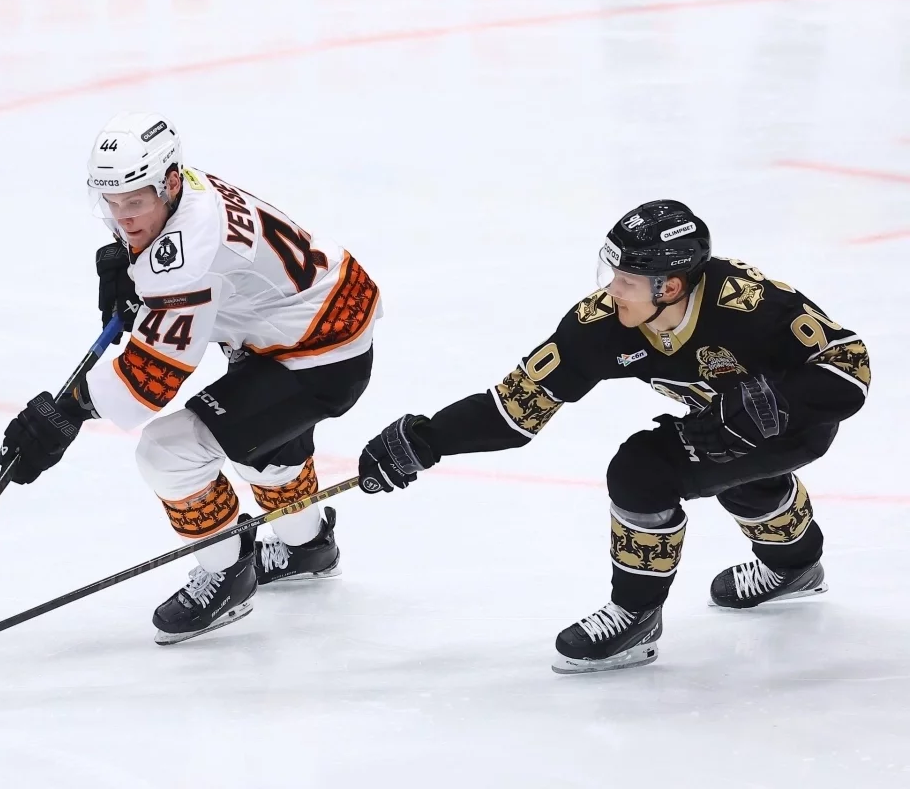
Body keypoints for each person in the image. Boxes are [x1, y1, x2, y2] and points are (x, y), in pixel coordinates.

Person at [356, 200, 869, 673]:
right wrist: (427, 440)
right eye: (613, 274)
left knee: (642, 471)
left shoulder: (748, 303)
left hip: (796, 423)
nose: (612, 290)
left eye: (627, 280)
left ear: (670, 287)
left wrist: (768, 405)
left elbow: (849, 366)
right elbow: (516, 407)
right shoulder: (600, 326)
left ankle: (635, 615)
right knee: (732, 471)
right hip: (717, 418)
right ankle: (794, 567)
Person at [0, 113, 381, 644]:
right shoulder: (185, 190)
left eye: (135, 202)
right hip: (314, 317)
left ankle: (229, 574)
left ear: (169, 183)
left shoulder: (186, 258)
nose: (123, 216)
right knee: (264, 447)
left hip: (317, 352)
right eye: (111, 202)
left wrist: (65, 413)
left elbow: (149, 381)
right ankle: (307, 548)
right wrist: (130, 262)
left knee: (169, 452)